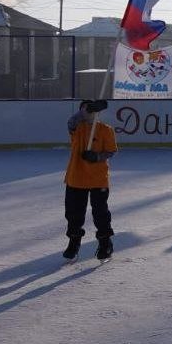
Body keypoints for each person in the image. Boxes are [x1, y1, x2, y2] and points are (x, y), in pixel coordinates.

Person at [63, 99, 117, 260]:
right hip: (76, 177)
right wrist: (83, 112)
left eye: (92, 110)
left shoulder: (106, 130)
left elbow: (111, 151)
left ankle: (105, 243)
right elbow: (71, 121)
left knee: (100, 213)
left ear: (98, 113)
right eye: (85, 110)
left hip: (98, 179)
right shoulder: (77, 128)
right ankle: (74, 241)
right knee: (74, 213)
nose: (88, 113)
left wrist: (97, 156)